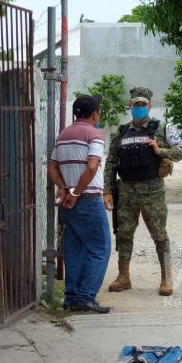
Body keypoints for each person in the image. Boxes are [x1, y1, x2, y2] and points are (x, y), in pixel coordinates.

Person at [103, 87, 182, 296]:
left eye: (143, 104)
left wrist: (160, 151)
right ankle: (123, 277)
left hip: (153, 192)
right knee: (124, 234)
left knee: (159, 235)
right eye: (136, 104)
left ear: (149, 106)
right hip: (126, 192)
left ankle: (166, 278)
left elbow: (181, 150)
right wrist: (107, 191)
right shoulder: (121, 132)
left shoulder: (162, 128)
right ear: (129, 105)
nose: (139, 107)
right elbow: (111, 163)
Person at [48, 95, 111, 313]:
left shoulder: (63, 135)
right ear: (95, 114)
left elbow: (52, 166)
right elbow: (92, 166)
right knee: (100, 248)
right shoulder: (95, 135)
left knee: (73, 249)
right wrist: (76, 192)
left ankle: (71, 298)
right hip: (88, 200)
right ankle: (85, 297)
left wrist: (63, 187)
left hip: (67, 203)